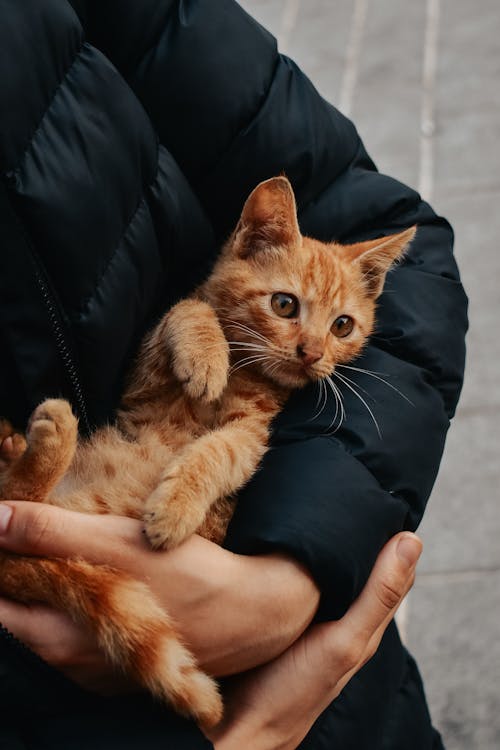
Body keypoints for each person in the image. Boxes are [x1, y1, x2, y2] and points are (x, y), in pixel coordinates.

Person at [0, 0, 467, 748]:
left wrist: (291, 582)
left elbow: (250, 437)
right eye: (288, 308)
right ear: (250, 246)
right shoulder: (219, 310)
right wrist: (196, 324)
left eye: (341, 327)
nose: (313, 348)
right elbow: (175, 362)